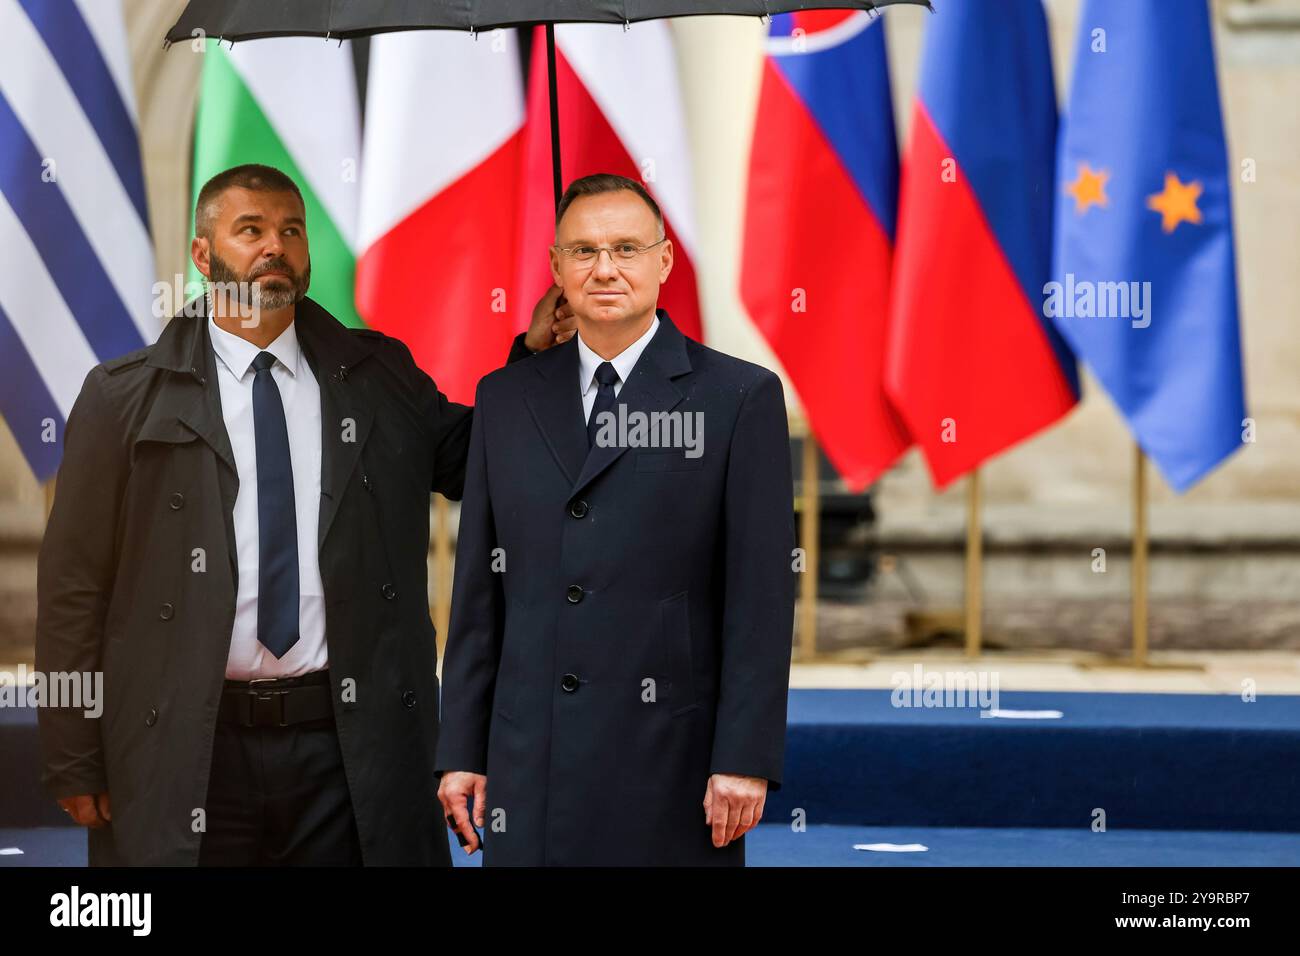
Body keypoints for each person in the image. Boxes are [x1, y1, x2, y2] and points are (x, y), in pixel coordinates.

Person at [35, 163, 574, 866]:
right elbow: (73, 588)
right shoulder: (122, 399)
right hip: (188, 746)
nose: (275, 247)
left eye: (292, 231)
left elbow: (478, 458)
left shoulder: (377, 376)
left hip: (348, 749)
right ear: (203, 256)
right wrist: (74, 757)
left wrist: (535, 360)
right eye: (250, 229)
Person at [436, 173, 796, 865]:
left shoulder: (738, 397)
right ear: (555, 269)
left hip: (671, 765)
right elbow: (479, 597)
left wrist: (744, 757)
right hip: (526, 765)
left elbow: (760, 596)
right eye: (584, 251)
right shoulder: (505, 400)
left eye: (626, 249)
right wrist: (462, 752)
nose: (605, 269)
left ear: (663, 261)